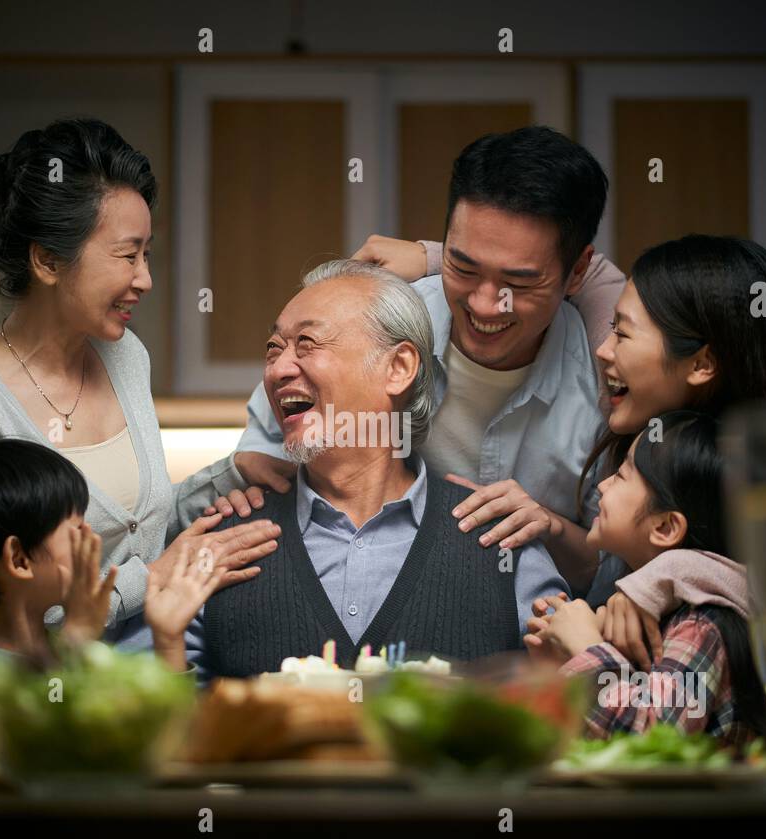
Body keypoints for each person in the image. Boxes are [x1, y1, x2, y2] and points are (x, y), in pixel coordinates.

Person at [131, 260, 569, 681]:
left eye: (307, 344)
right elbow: (175, 741)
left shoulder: (502, 542)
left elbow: (567, 708)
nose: (279, 369)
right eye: (273, 350)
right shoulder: (222, 543)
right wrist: (166, 642)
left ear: (397, 368)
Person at [228, 127, 623, 592]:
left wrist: (549, 529)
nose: (483, 304)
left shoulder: (609, 383)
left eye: (518, 284)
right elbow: (262, 462)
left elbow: (615, 568)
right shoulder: (373, 324)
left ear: (577, 271)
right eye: (463, 267)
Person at [0, 118, 283, 641]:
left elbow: (136, 529)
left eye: (147, 254)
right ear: (48, 260)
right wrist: (149, 580)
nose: (144, 278)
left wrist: (229, 475)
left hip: (158, 667)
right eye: (128, 255)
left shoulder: (126, 357)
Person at [569, 235, 766, 732]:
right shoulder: (660, 427)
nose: (602, 348)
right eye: (611, 326)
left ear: (701, 363)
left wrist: (678, 569)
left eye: (623, 334)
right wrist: (431, 257)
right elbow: (570, 268)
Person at [525, 411, 766, 745]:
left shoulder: (701, 626)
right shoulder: (638, 613)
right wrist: (563, 664)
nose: (602, 484)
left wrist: (586, 646)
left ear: (665, 527)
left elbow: (654, 736)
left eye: (622, 475)